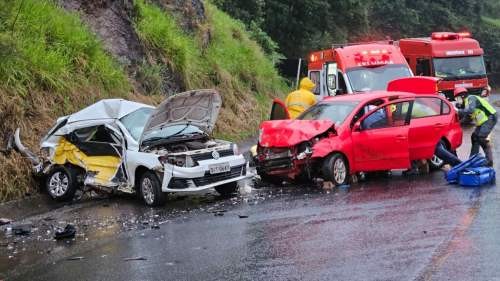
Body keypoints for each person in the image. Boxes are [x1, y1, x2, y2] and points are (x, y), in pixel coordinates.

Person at [455, 87, 497, 166]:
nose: (457, 100)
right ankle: (473, 158)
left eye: (458, 98)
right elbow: (467, 118)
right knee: (474, 137)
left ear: (462, 96)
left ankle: (489, 161)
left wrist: (458, 111)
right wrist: (457, 124)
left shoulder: (471, 98)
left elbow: (470, 110)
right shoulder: (467, 103)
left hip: (490, 117)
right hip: (483, 121)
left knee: (481, 138)